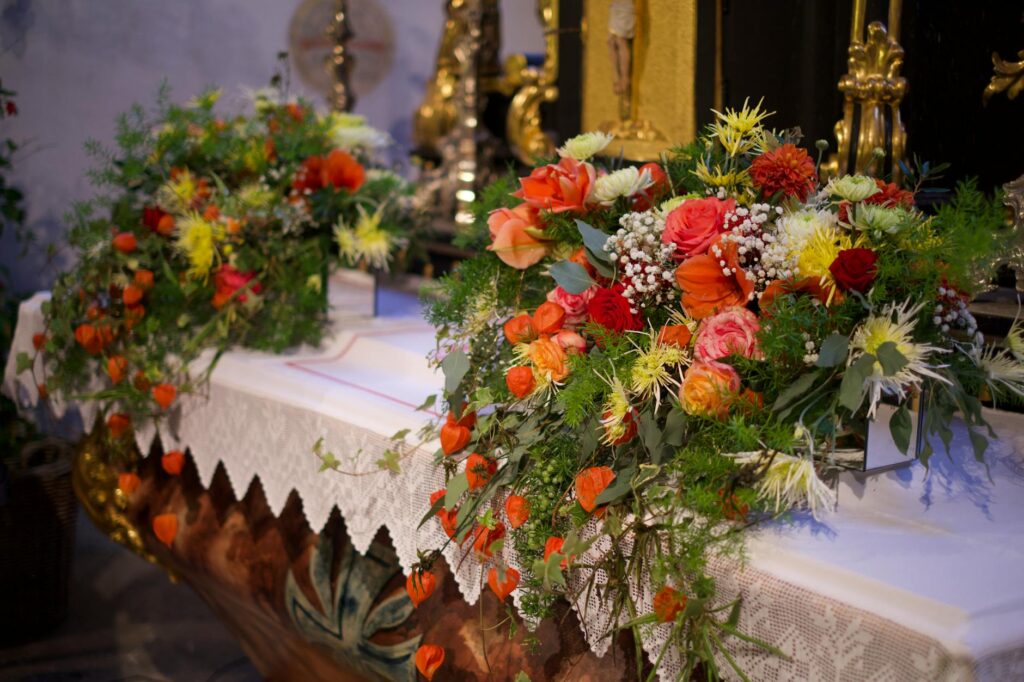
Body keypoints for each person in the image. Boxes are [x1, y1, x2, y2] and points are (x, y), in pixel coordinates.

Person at [607, 0, 635, 97]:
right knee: (610, 41)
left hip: (625, 6)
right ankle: (617, 76)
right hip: (616, 6)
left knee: (620, 40)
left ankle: (625, 78)